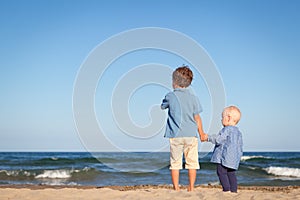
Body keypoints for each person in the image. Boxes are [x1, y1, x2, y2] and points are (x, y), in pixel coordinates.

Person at [161, 65, 206, 191]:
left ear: (174, 82)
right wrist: (201, 133)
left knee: (175, 163)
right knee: (192, 163)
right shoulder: (193, 98)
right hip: (191, 135)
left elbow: (163, 106)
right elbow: (197, 118)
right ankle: (191, 188)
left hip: (175, 135)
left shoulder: (170, 96)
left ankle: (176, 188)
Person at [202, 106, 243, 193]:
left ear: (228, 118)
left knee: (221, 172)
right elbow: (240, 147)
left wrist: (208, 137)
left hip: (224, 157)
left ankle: (226, 189)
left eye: (222, 117)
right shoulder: (238, 132)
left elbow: (218, 139)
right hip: (233, 159)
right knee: (231, 174)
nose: (221, 120)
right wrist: (237, 157)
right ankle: (234, 190)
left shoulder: (226, 129)